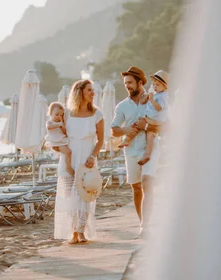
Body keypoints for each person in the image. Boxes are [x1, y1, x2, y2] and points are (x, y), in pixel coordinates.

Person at [111, 66, 162, 236]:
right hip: (131, 151)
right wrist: (127, 131)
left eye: (130, 83)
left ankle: (145, 226)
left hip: (150, 148)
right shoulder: (122, 106)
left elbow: (164, 125)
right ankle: (142, 221)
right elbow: (114, 130)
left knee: (147, 182)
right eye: (126, 84)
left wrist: (145, 126)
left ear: (140, 82)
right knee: (136, 188)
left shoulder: (154, 100)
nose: (128, 86)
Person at [54, 79, 105, 244]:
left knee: (85, 195)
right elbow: (57, 135)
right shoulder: (67, 114)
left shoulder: (97, 114)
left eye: (93, 90)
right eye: (89, 90)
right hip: (69, 158)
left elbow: (100, 141)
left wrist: (93, 157)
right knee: (70, 197)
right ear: (80, 92)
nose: (93, 93)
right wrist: (60, 149)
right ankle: (72, 232)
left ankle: (81, 231)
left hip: (87, 159)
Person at [119, 70, 170, 166]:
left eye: (158, 85)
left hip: (156, 119)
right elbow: (145, 99)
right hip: (150, 117)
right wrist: (146, 98)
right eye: (154, 84)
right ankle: (146, 153)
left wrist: (151, 100)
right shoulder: (155, 92)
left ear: (165, 86)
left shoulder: (163, 96)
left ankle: (128, 139)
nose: (155, 87)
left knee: (139, 125)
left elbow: (159, 107)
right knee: (148, 134)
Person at [45, 102, 73, 176]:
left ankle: (68, 164)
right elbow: (48, 127)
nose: (59, 117)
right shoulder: (50, 122)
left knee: (69, 152)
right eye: (57, 114)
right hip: (56, 142)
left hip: (62, 141)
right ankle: (68, 167)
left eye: (61, 115)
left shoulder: (61, 123)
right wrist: (58, 125)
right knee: (68, 152)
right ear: (51, 113)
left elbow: (65, 132)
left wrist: (62, 126)